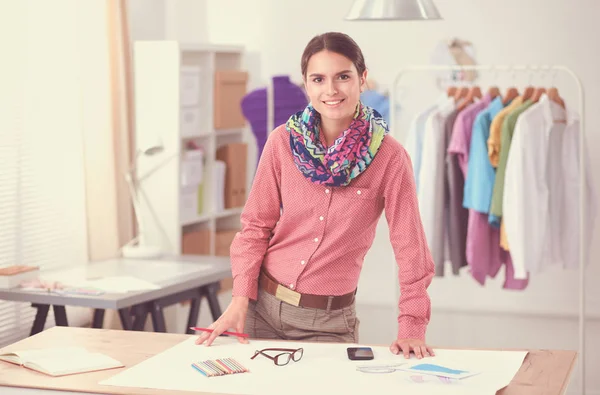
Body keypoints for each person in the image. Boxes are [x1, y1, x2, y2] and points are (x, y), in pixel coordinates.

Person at [196, 32, 435, 359]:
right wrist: (240, 299)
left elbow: (411, 246)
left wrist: (412, 327)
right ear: (306, 85)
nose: (331, 90)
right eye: (318, 79)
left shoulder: (390, 157)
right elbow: (255, 227)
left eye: (343, 77)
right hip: (260, 309)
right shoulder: (281, 143)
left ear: (362, 79)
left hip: (329, 324)